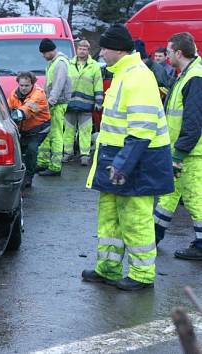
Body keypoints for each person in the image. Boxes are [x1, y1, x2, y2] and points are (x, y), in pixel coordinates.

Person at [82, 24, 173, 291]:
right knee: (109, 217)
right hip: (120, 159)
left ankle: (142, 275)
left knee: (135, 219)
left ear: (117, 49)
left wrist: (122, 164)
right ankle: (108, 268)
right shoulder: (124, 73)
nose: (101, 53)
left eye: (104, 48)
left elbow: (142, 129)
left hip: (135, 161)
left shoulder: (137, 76)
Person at [153, 32, 202, 261]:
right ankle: (153, 235)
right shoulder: (188, 74)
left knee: (195, 198)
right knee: (169, 194)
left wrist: (179, 153)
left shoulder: (194, 77)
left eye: (169, 51)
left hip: (191, 153)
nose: (167, 55)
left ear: (179, 53)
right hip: (183, 150)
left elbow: (193, 121)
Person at [7, 72, 51, 189]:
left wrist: (12, 116)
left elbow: (26, 111)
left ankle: (28, 178)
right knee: (19, 151)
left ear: (32, 84)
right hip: (24, 128)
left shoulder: (38, 95)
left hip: (39, 128)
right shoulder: (14, 95)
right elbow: (6, 108)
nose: (24, 88)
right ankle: (17, 174)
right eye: (21, 85)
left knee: (31, 150)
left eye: (27, 85)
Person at [63, 40, 103, 166]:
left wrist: (99, 101)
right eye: (80, 48)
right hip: (69, 103)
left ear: (88, 51)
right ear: (76, 49)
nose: (82, 51)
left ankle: (84, 155)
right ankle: (67, 153)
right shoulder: (68, 64)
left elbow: (98, 84)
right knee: (68, 130)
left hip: (86, 104)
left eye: (85, 49)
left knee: (85, 131)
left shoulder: (94, 66)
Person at [36, 38, 72, 176]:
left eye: (44, 53)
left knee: (56, 134)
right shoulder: (54, 63)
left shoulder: (60, 63)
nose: (43, 56)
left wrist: (50, 101)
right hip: (53, 103)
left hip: (57, 103)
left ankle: (55, 166)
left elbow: (58, 84)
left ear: (49, 51)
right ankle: (43, 162)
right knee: (47, 133)